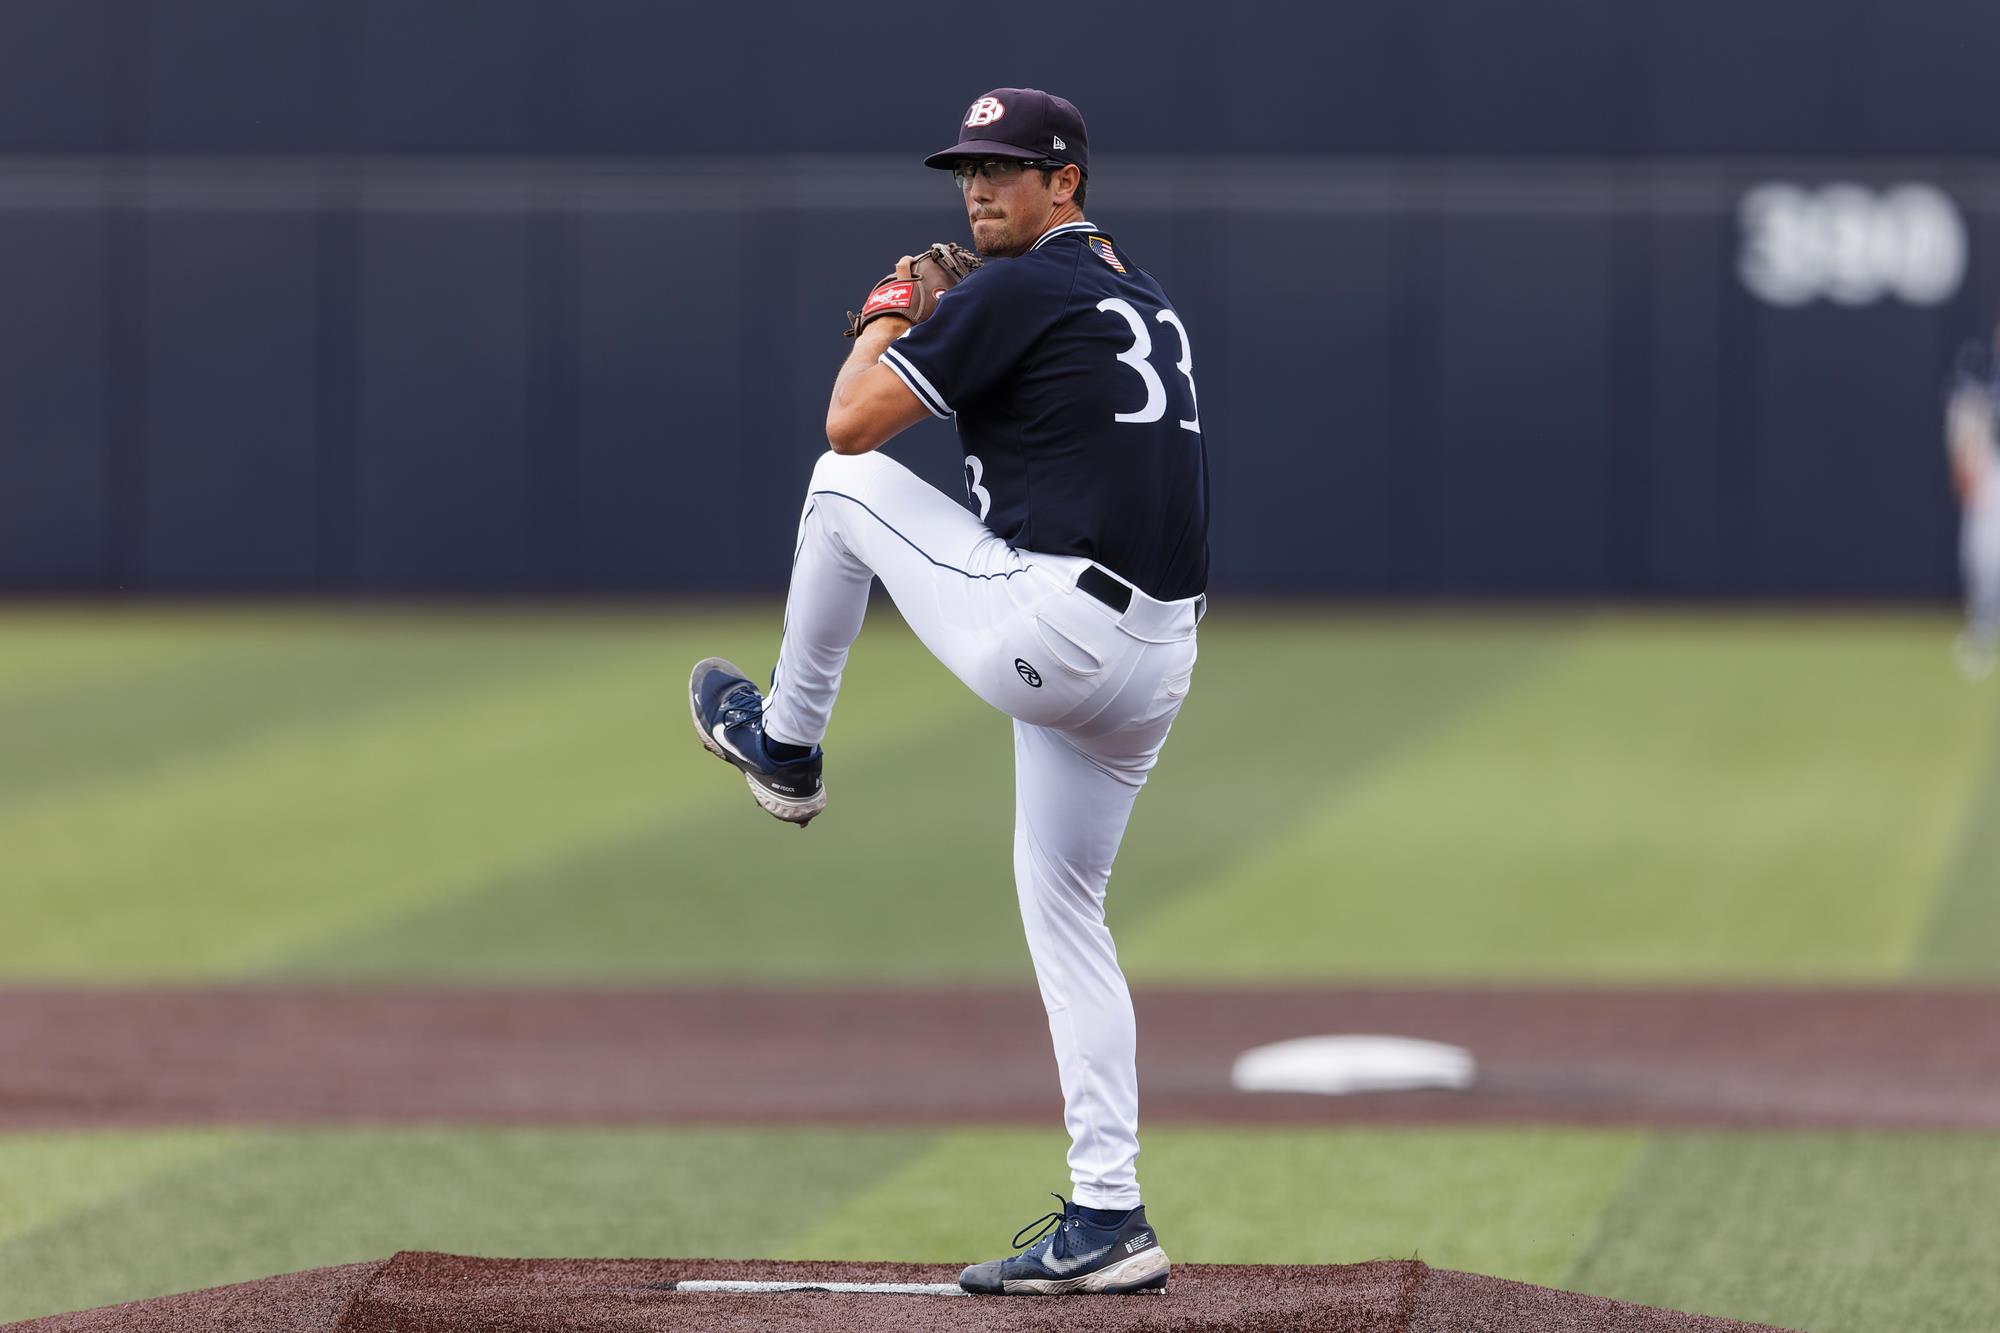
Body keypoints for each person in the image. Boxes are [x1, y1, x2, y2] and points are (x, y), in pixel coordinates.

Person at [688, 87, 1207, 1295]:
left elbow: (854, 418)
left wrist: (883, 317)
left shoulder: (1023, 286)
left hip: (1062, 629)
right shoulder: (1130, 287)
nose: (977, 191)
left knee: (835, 486)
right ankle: (1108, 1213)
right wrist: (952, 310)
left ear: (1063, 183)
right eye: (967, 169)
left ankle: (787, 742)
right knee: (1066, 910)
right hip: (1154, 657)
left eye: (1007, 169)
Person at [1946, 329, 2000, 679]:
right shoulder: (1979, 366)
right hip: (1989, 471)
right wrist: (1964, 463)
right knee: (1982, 556)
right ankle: (1983, 628)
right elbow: (1963, 418)